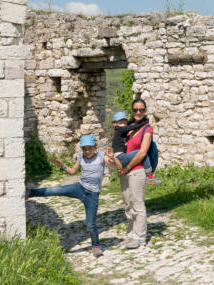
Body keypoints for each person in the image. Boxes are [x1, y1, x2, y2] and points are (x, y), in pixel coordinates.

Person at [27, 134, 114, 258]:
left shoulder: (101, 157)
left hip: (92, 195)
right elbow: (73, 171)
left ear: (95, 147)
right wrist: (61, 165)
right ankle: (30, 193)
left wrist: (113, 159)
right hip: (80, 188)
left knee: (91, 224)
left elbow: (116, 166)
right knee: (56, 190)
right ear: (81, 149)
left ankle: (96, 246)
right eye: (84, 149)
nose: (87, 151)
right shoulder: (81, 157)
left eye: (90, 148)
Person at [117, 99, 153, 249]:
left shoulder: (147, 129)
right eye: (135, 110)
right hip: (124, 171)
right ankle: (131, 234)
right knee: (127, 204)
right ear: (132, 111)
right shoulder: (130, 128)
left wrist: (128, 167)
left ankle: (140, 237)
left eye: (141, 110)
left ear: (145, 111)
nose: (138, 113)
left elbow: (142, 152)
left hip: (137, 170)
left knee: (137, 204)